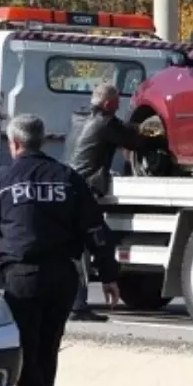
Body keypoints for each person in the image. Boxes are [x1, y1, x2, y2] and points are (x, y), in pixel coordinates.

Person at [0, 114, 121, 386]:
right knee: (48, 349)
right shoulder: (67, 177)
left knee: (23, 350)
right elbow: (96, 228)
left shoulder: (0, 179)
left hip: (22, 275)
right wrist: (108, 275)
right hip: (64, 276)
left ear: (15, 144)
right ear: (43, 141)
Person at [65, 82, 166, 322]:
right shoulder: (106, 123)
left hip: (68, 188)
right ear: (109, 104)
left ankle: (75, 303)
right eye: (117, 103)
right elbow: (135, 139)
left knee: (79, 247)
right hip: (85, 192)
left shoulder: (78, 118)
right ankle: (77, 306)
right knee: (94, 244)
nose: (119, 106)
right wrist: (158, 133)